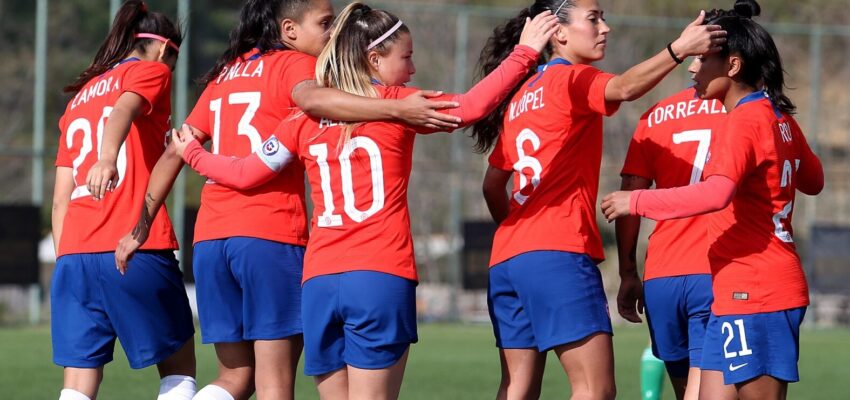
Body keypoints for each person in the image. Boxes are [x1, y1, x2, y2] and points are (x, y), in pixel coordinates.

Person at [170, 3, 557, 398]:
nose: (412, 69)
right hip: (378, 275)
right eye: (406, 57)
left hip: (319, 283)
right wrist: (524, 52)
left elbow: (244, 172)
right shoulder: (399, 105)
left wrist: (195, 155)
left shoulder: (300, 119)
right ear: (373, 58)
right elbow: (473, 107)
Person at [113, 1, 465, 399]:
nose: (334, 32)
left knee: (233, 378)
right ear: (289, 30)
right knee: (274, 386)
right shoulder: (296, 65)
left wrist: (139, 224)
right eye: (325, 23)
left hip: (211, 240)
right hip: (268, 235)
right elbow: (314, 101)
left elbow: (177, 150)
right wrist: (396, 108)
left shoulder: (225, 74)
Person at [470, 0, 725, 398]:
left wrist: (520, 234)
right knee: (594, 389)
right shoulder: (567, 79)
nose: (604, 27)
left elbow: (491, 185)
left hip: (507, 259)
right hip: (558, 251)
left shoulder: (521, 96)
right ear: (559, 32)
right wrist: (680, 48)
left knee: (516, 388)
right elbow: (623, 87)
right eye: (593, 19)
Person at [601, 1, 824, 399]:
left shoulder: (744, 120)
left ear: (733, 66)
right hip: (731, 288)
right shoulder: (777, 118)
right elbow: (814, 180)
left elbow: (717, 193)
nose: (691, 68)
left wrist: (636, 202)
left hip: (758, 288)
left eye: (701, 59)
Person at [51, 1, 195, 400]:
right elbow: (123, 108)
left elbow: (60, 198)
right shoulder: (150, 70)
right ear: (166, 50)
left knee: (77, 386)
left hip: (74, 255)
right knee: (179, 369)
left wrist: (67, 261)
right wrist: (106, 157)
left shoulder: (78, 98)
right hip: (133, 243)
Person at [617, 83, 726, 399]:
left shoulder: (655, 115)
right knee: (708, 389)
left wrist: (627, 272)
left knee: (687, 390)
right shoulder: (740, 110)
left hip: (662, 275)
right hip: (714, 269)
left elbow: (630, 191)